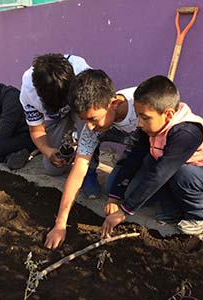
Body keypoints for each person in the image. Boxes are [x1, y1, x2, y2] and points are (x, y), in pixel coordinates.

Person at [101, 75, 203, 237]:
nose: (139, 123)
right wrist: (115, 196)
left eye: (145, 117)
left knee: (179, 173)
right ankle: (173, 209)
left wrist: (125, 211)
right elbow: (135, 157)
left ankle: (202, 214)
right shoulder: (151, 127)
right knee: (147, 164)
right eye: (138, 116)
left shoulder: (186, 132)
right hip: (186, 168)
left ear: (167, 115)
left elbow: (161, 173)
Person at [45, 69, 139, 249]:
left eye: (93, 119)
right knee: (113, 188)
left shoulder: (141, 107)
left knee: (139, 190)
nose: (89, 126)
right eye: (84, 120)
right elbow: (79, 169)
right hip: (132, 158)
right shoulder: (92, 127)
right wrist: (60, 223)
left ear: (112, 104)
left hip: (162, 157)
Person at [20, 53, 101, 198]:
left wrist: (84, 150)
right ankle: (68, 151)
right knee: (52, 169)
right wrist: (47, 151)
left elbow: (96, 115)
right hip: (56, 118)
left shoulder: (82, 73)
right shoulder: (28, 92)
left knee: (89, 125)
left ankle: (89, 170)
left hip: (81, 110)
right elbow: (36, 129)